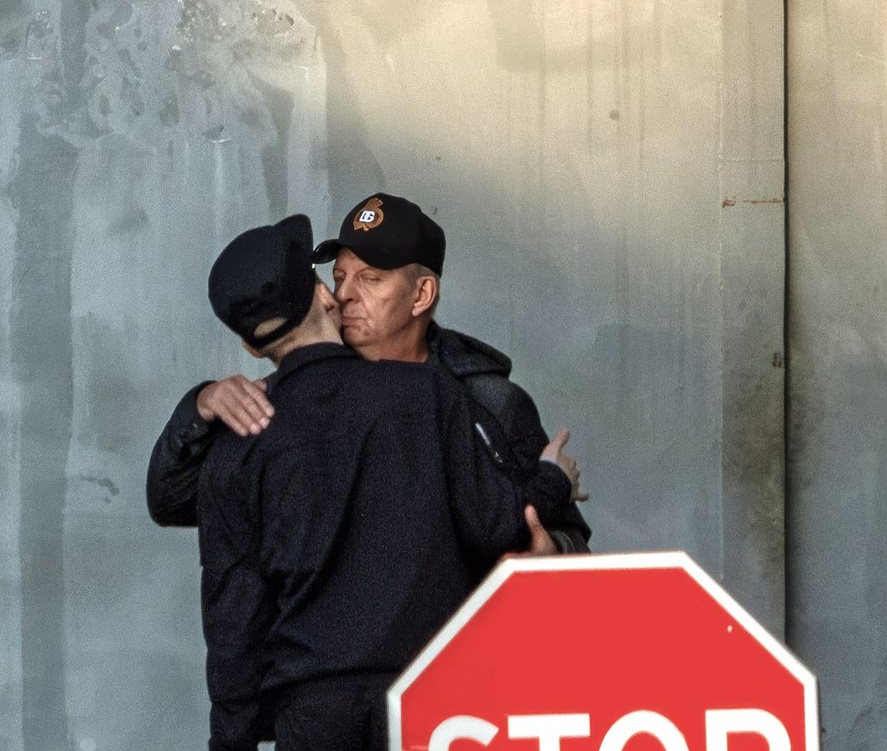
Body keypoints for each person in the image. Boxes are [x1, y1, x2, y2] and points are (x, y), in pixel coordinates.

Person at [192, 211, 572, 751]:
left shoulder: (234, 446)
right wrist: (550, 477)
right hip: (428, 704)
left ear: (251, 345)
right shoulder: (423, 396)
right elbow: (496, 522)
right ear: (322, 299)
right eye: (335, 279)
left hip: (311, 710)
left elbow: (232, 619)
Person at [147, 189, 590, 554]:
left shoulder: (490, 401)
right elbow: (174, 502)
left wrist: (551, 551)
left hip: (470, 632)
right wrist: (201, 406)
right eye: (339, 277)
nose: (344, 295)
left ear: (421, 295)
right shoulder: (298, 395)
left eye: (371, 279)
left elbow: (572, 542)